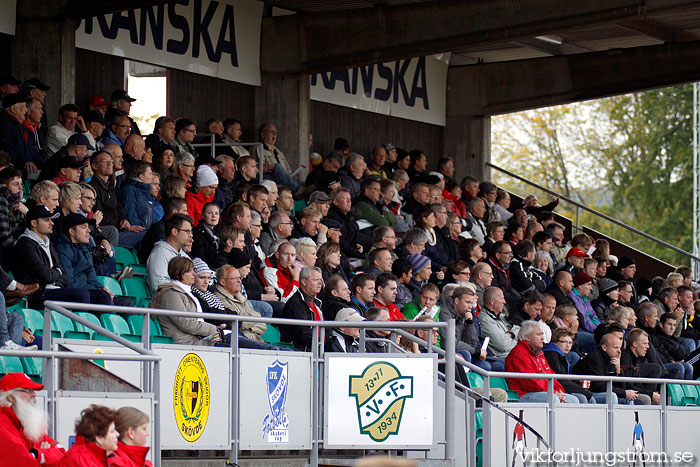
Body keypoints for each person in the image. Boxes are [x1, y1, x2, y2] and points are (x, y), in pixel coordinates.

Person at [150, 257, 225, 345]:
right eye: (189, 271)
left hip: (197, 340)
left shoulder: (187, 292)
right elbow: (186, 323)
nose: (194, 273)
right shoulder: (171, 294)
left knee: (236, 340)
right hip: (185, 344)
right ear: (178, 273)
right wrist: (214, 329)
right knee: (236, 343)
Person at [505, 320, 580, 403]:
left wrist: (559, 390)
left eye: (542, 334)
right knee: (553, 399)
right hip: (522, 394)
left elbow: (551, 375)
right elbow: (531, 382)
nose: (543, 338)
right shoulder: (519, 353)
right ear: (527, 337)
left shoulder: (539, 352)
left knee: (574, 400)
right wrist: (553, 392)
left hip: (541, 392)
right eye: (539, 334)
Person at [0, 372, 66, 466]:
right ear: (10, 397)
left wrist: (38, 455)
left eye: (33, 390)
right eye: (27, 390)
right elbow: (25, 464)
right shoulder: (3, 427)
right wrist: (46, 457)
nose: (34, 394)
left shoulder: (29, 423)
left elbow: (63, 455)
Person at [54, 214, 115, 305]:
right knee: (103, 297)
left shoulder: (84, 249)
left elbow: (92, 278)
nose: (89, 230)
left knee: (125, 303)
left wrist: (102, 288)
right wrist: (98, 291)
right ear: (71, 231)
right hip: (75, 294)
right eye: (84, 227)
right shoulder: (62, 250)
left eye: (88, 227)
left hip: (88, 290)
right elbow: (69, 282)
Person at [574, 333, 649, 405]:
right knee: (612, 396)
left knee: (627, 399)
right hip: (588, 392)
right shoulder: (594, 358)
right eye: (615, 348)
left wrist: (618, 370)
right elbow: (599, 386)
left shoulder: (612, 358)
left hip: (601, 391)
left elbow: (621, 387)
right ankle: (611, 418)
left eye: (619, 348)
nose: (619, 351)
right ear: (604, 347)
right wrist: (624, 393)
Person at [275, 266, 324, 350]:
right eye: (316, 280)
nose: (320, 283)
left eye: (320, 280)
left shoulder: (317, 303)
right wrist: (323, 341)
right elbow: (303, 334)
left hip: (318, 346)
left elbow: (326, 327)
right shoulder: (295, 303)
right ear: (304, 282)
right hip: (302, 351)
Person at [543, 328, 595, 403]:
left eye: (570, 343)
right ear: (555, 342)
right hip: (556, 389)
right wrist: (584, 391)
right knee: (584, 398)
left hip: (562, 388)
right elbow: (560, 379)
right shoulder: (551, 355)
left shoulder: (559, 354)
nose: (568, 345)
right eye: (564, 342)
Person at [146, 214, 192, 294]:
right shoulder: (160, 253)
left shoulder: (185, 256)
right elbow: (157, 284)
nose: (191, 235)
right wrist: (182, 285)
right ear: (174, 231)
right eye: (187, 231)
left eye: (191, 232)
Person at [479, 287, 519, 358]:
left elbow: (520, 331)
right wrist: (521, 345)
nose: (504, 302)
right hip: (503, 358)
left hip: (513, 354)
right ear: (492, 301)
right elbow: (503, 344)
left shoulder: (502, 316)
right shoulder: (484, 320)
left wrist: (511, 334)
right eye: (502, 298)